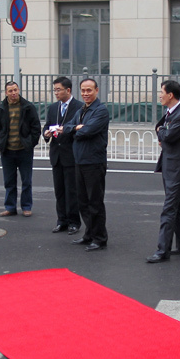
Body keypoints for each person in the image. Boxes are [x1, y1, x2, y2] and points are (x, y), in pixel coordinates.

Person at [146, 80, 180, 263]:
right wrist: (162, 133)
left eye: (162, 92)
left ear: (170, 95)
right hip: (169, 164)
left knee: (169, 209)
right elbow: (162, 131)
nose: (160, 95)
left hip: (178, 167)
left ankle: (162, 250)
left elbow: (168, 135)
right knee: (176, 207)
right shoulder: (170, 112)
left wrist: (162, 133)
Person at [65, 78, 109, 251]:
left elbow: (88, 131)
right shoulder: (82, 110)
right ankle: (89, 234)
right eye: (83, 90)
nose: (85, 94)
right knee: (82, 201)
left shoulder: (101, 110)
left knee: (95, 202)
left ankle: (100, 238)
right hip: (80, 161)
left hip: (94, 162)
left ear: (97, 90)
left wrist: (76, 130)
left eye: (89, 90)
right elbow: (69, 127)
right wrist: (76, 128)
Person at [0, 81, 41, 217]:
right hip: (7, 150)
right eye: (10, 91)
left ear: (18, 90)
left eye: (15, 90)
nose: (13, 93)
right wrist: (0, 142)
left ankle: (26, 206)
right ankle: (10, 207)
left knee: (26, 180)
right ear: (6, 92)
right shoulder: (1, 108)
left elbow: (36, 127)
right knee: (9, 181)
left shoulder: (27, 107)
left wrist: (30, 143)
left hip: (24, 150)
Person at [43, 76, 83, 234]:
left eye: (58, 90)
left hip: (71, 154)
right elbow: (47, 125)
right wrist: (46, 133)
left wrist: (66, 130)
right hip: (56, 154)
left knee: (72, 190)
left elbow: (79, 128)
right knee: (59, 190)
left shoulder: (79, 107)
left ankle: (74, 221)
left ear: (68, 90)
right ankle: (62, 220)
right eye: (54, 90)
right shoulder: (53, 108)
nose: (56, 93)